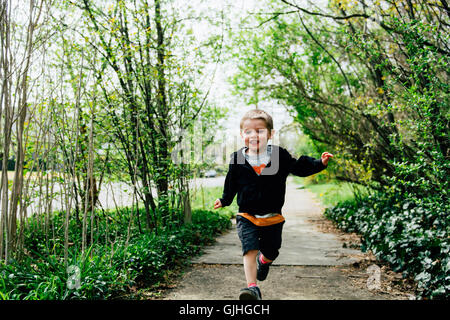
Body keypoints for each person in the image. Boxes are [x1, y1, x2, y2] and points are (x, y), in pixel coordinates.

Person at [213, 109, 333, 300]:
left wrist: (320, 163)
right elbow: (231, 182)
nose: (253, 135)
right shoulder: (237, 159)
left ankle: (264, 261)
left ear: (270, 134)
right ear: (242, 134)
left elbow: (298, 167)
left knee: (271, 251)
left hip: (272, 216)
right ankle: (252, 288)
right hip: (247, 215)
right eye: (248, 131)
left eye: (259, 130)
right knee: (249, 248)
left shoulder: (279, 156)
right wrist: (225, 199)